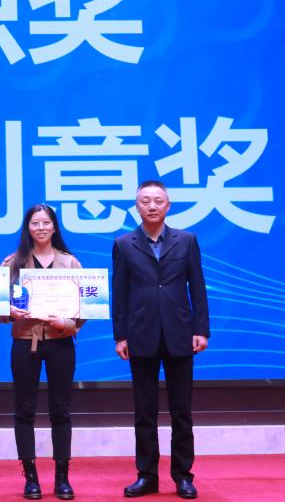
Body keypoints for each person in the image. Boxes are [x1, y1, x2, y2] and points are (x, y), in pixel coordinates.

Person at [111, 180, 210, 500]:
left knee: (182, 411)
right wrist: (120, 335)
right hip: (141, 334)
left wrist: (201, 329)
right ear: (136, 207)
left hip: (180, 333)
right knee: (144, 412)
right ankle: (147, 476)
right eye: (145, 201)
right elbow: (119, 294)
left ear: (168, 205)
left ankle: (183, 476)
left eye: (157, 201)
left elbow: (198, 288)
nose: (151, 206)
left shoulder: (187, 241)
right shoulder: (124, 244)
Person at [0, 203, 82, 500]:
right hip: (25, 342)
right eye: (35, 223)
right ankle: (30, 477)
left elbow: (85, 309)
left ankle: (62, 478)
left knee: (61, 410)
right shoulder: (12, 263)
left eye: (46, 222)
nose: (41, 228)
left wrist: (67, 324)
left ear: (54, 227)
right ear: (28, 228)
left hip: (61, 342)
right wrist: (9, 312)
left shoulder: (70, 264)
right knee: (24, 410)